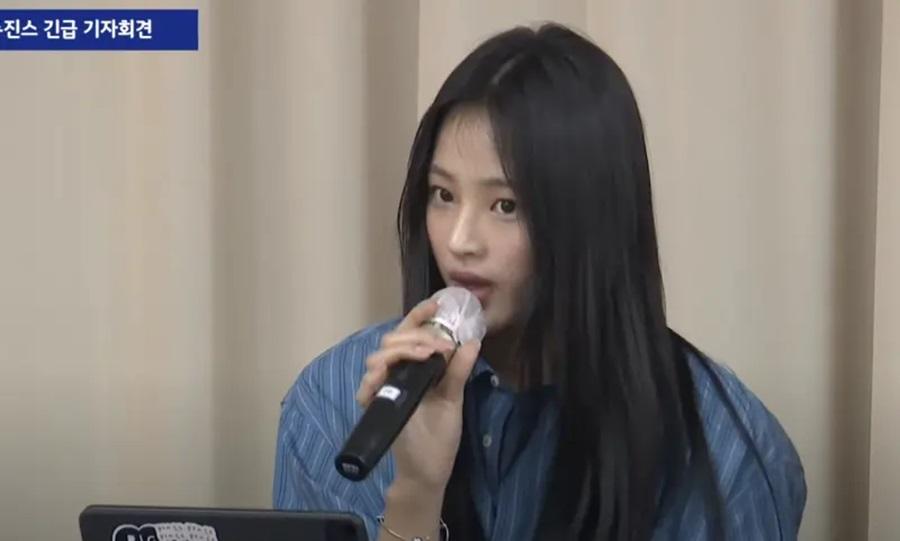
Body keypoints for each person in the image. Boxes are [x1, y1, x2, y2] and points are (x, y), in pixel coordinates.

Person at [272, 23, 806, 541]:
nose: (460, 241)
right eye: (443, 195)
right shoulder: (333, 404)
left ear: (593, 218)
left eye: (505, 205)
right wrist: (416, 492)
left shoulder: (724, 448)